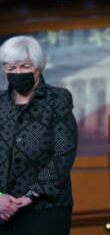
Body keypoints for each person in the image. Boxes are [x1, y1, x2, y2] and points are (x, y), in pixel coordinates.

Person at [0, 36, 78, 235]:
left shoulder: (58, 99)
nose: (18, 73)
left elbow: (63, 152)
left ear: (39, 66)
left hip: (46, 207)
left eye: (25, 66)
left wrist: (31, 194)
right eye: (11, 68)